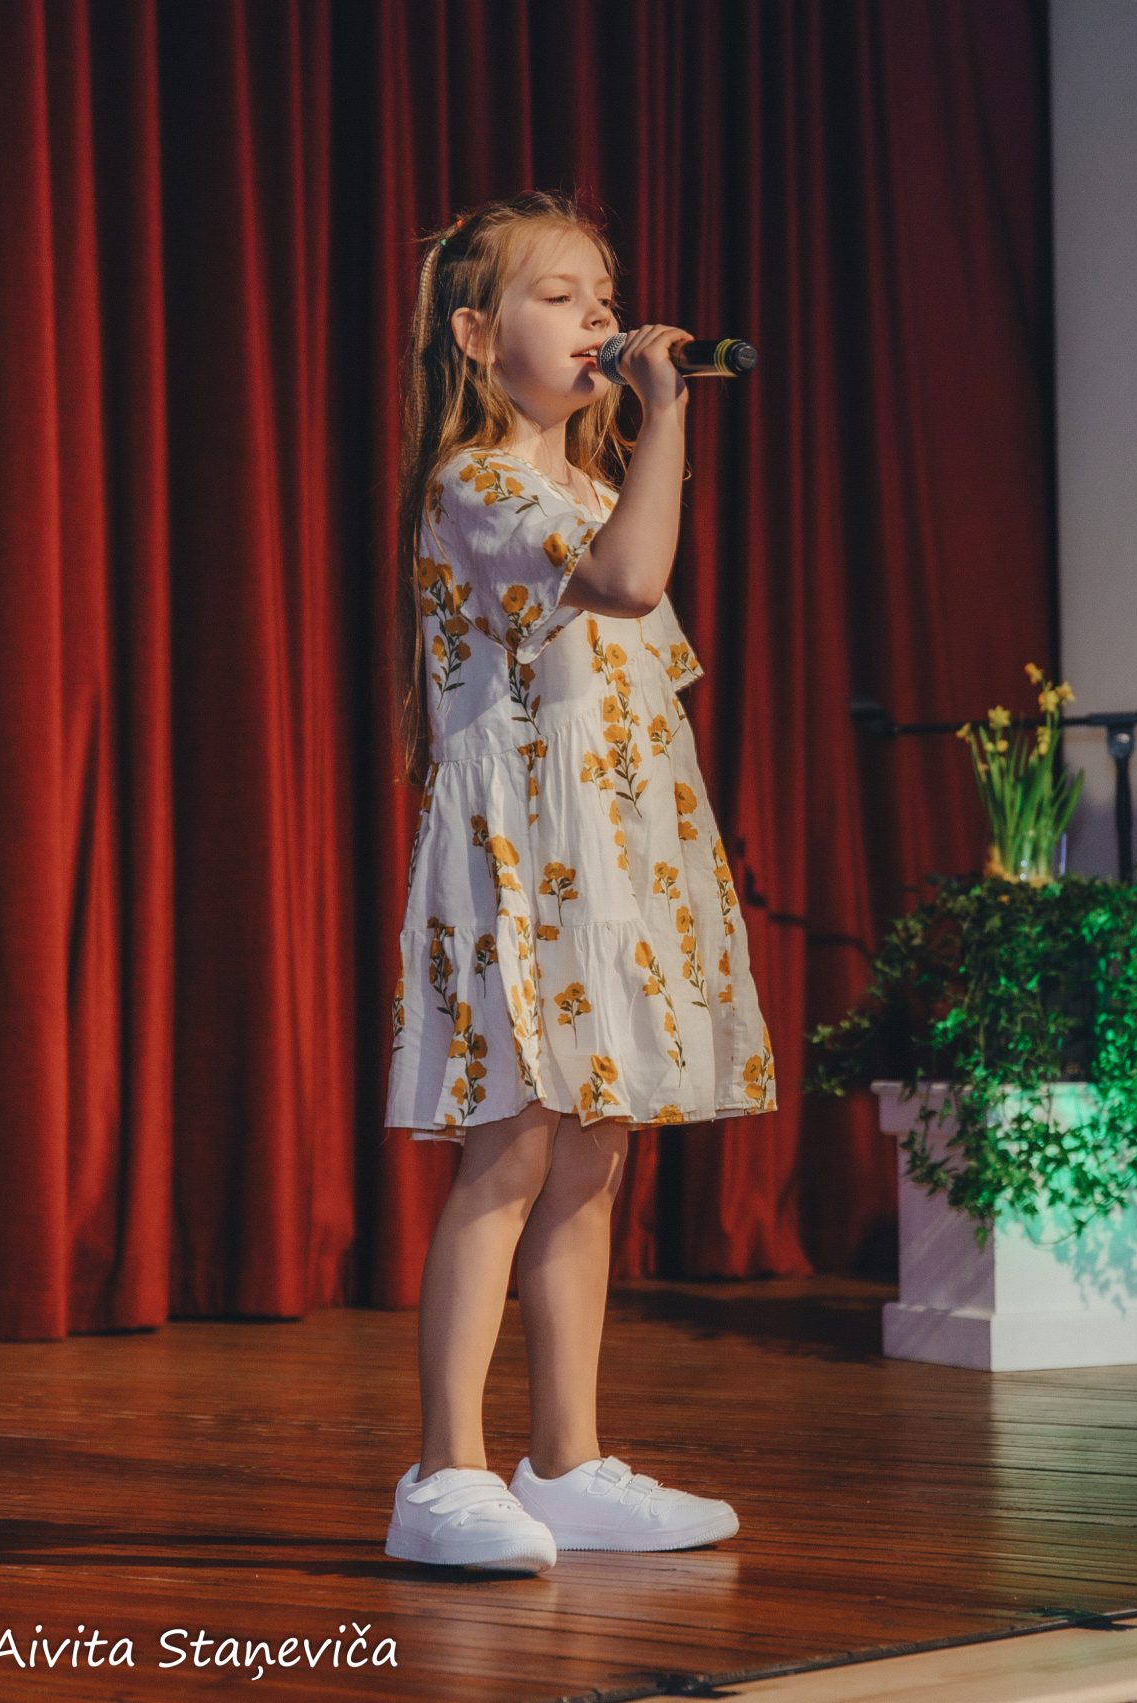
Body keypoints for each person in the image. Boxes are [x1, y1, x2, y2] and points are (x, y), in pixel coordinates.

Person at [379, 191, 777, 1575]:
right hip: (520, 858)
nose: (601, 318)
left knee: (595, 1155)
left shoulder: (595, 489)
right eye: (562, 297)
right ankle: (443, 1469)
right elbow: (625, 582)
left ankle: (567, 1460)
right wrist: (667, 416)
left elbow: (640, 661)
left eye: (606, 296)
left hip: (609, 861)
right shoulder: (477, 483)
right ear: (476, 336)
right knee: (513, 1146)